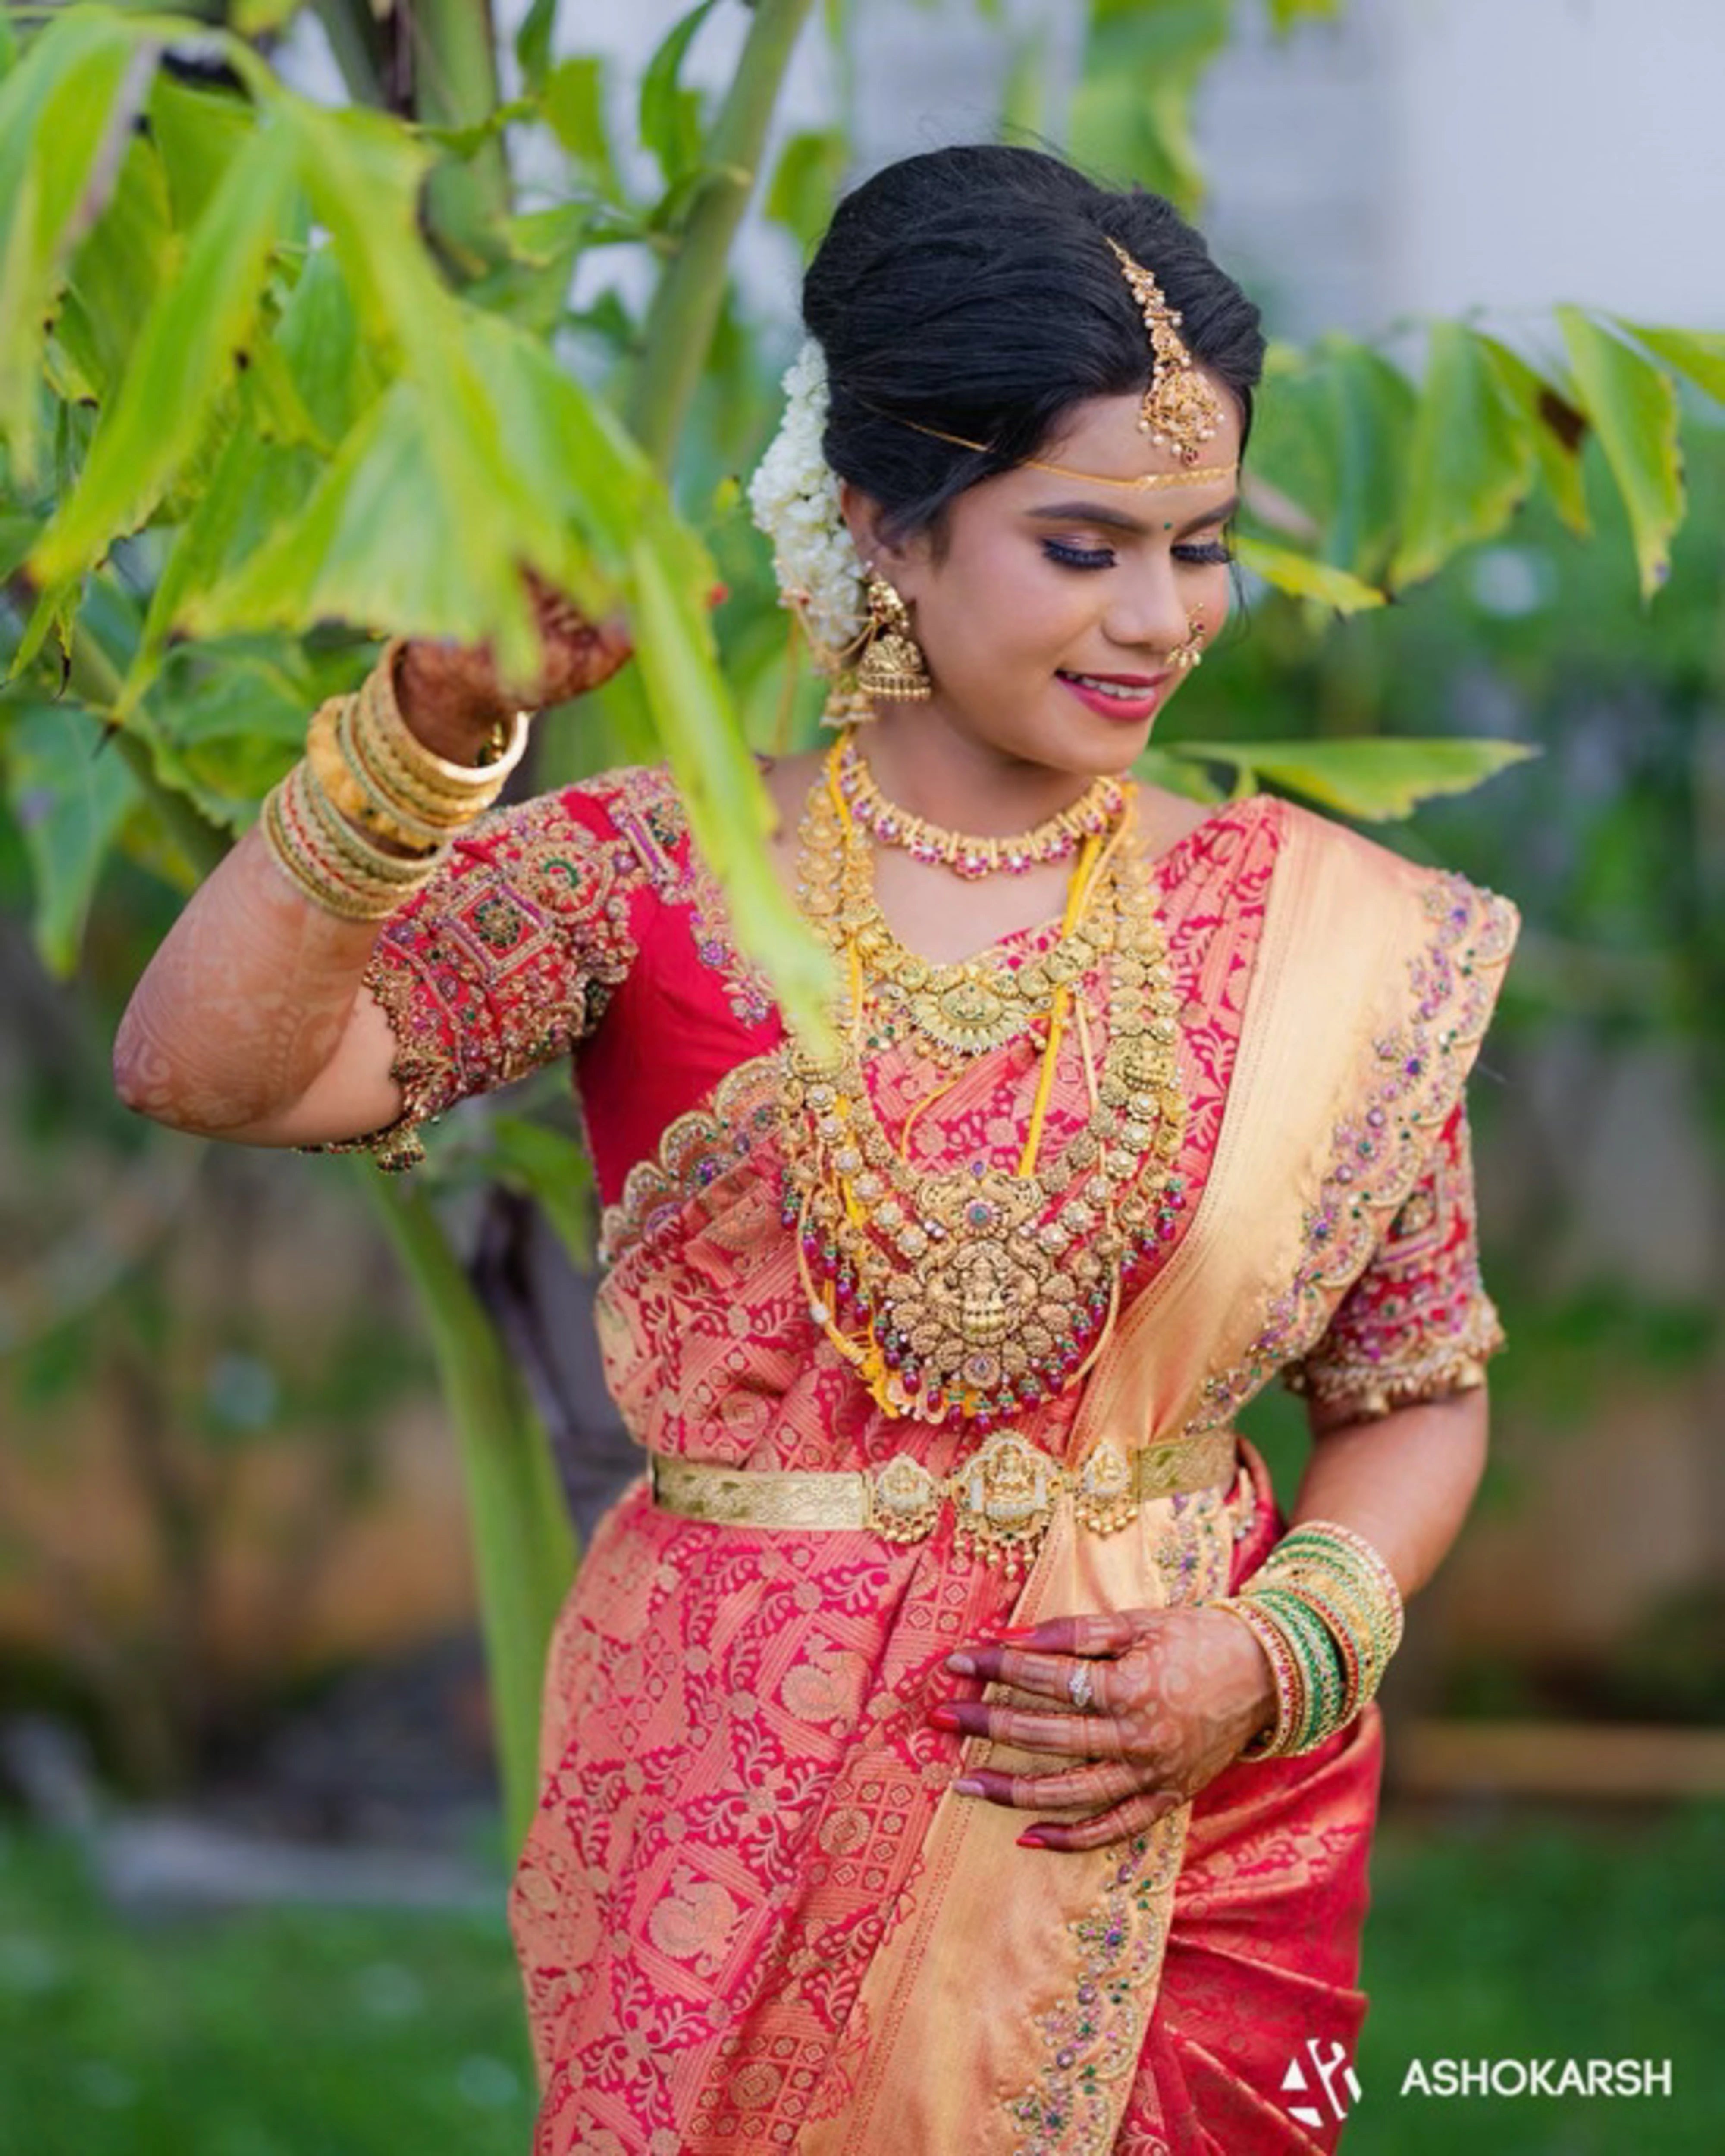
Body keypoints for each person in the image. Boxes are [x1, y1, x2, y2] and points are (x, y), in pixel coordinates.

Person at [113, 144, 1518, 2154]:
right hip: (718, 1814)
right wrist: (427, 722)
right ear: (885, 523)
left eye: (1199, 545)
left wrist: (1274, 1645)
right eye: (1082, 544)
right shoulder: (657, 874)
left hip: (1170, 1830)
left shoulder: (1328, 940)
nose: (1160, 618)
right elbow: (208, 1067)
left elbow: (1414, 1387)